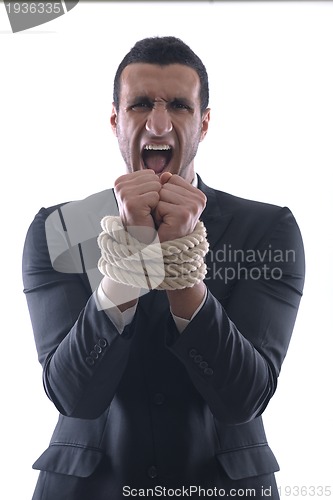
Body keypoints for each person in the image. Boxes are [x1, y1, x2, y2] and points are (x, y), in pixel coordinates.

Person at [22, 36, 305, 500]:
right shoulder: (58, 230)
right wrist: (129, 258)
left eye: (178, 105)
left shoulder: (269, 230)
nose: (157, 124)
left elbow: (243, 400)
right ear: (115, 120)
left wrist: (182, 266)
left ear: (204, 122)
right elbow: (74, 397)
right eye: (139, 106)